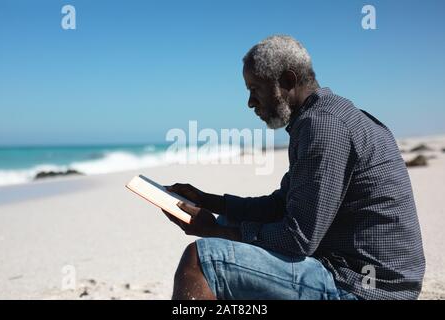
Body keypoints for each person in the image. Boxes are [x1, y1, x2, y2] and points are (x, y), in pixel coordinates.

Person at [162, 35, 425, 300]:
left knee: (202, 260)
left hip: (365, 288)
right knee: (231, 224)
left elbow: (298, 239)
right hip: (362, 275)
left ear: (287, 81)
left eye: (255, 89)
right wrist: (211, 201)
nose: (250, 102)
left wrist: (214, 232)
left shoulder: (323, 127)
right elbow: (281, 206)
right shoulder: (321, 117)